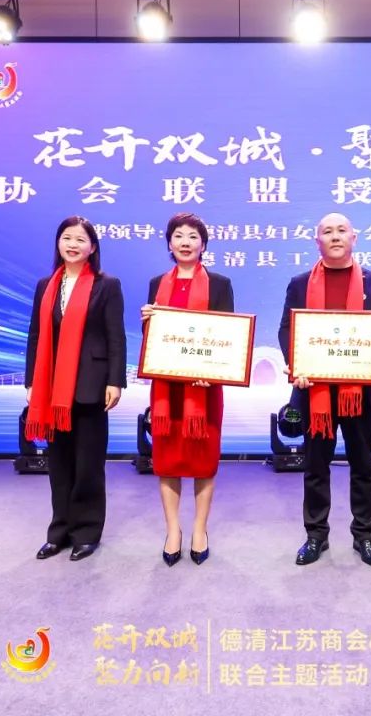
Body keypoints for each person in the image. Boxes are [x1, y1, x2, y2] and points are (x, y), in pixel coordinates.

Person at [278, 213, 371, 568]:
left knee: (364, 466)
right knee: (316, 467)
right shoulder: (300, 284)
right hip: (315, 391)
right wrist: (297, 364)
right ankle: (316, 535)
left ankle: (365, 536)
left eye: (342, 230)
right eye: (327, 231)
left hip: (360, 392)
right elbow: (287, 329)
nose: (335, 236)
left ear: (354, 238)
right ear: (317, 241)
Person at [25, 216, 126, 562]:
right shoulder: (46, 285)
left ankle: (86, 532)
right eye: (67, 238)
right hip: (52, 387)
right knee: (59, 463)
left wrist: (115, 380)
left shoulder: (106, 285)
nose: (73, 245)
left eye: (81, 240)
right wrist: (31, 381)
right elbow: (35, 336)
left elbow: (116, 336)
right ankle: (59, 532)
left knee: (88, 464)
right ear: (58, 243)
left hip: (91, 385)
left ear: (92, 247)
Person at [141, 213, 234, 567]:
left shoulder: (220, 284)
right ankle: (172, 531)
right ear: (169, 243)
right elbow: (156, 339)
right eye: (178, 235)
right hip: (167, 390)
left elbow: (226, 336)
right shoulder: (156, 283)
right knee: (167, 459)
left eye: (193, 236)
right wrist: (147, 320)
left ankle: (199, 529)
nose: (185, 241)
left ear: (203, 244)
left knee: (203, 459)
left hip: (203, 389)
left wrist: (213, 371)